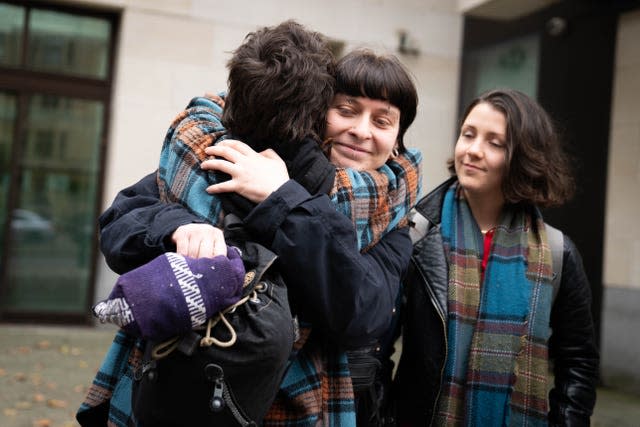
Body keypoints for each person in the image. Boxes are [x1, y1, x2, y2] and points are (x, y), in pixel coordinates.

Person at [78, 21, 421, 427]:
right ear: (316, 113)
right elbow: (119, 223)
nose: (361, 131)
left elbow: (359, 316)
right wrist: (176, 225)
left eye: (382, 121)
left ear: (398, 138)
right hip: (175, 391)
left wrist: (282, 198)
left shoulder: (393, 217)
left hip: (297, 409)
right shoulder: (222, 155)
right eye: (346, 110)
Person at [393, 88, 599, 426]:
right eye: (468, 135)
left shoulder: (558, 253)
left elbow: (577, 362)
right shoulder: (417, 236)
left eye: (495, 142)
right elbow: (375, 347)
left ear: (524, 157)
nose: (473, 150)